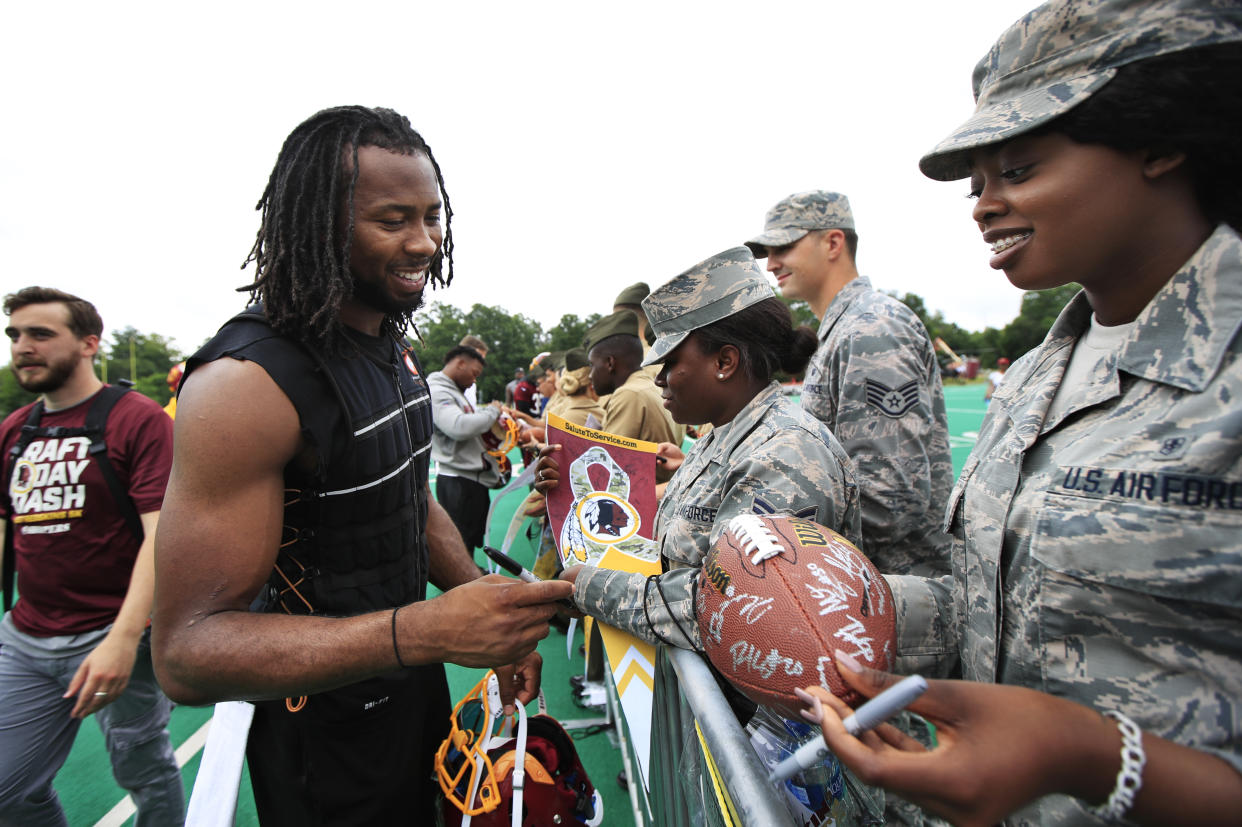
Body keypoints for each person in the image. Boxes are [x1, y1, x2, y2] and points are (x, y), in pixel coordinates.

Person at [796, 2, 1242, 824]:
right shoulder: (1036, 378)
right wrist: (813, 607)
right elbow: (987, 605)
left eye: (1021, 169)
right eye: (978, 185)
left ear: (1162, 141)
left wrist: (1092, 754)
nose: (983, 205)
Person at [149, 106, 571, 824]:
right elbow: (187, 653)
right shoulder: (245, 384)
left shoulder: (385, 340)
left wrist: (484, 616)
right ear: (320, 228)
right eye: (393, 219)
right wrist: (427, 629)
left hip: (409, 690)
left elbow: (408, 498)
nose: (426, 242)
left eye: (433, 216)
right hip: (325, 737)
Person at [537, 248, 864, 824]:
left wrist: (587, 588)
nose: (659, 378)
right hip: (734, 721)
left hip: (783, 751)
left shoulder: (787, 453)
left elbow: (730, 608)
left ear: (726, 361)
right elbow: (681, 545)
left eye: (671, 362)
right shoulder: (723, 437)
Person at [1, 287, 184, 826]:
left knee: (145, 772)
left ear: (88, 343)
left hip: (114, 633)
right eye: (14, 335)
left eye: (40, 334)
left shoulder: (138, 420)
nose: (22, 346)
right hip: (26, 639)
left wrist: (124, 640)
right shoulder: (15, 431)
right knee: (9, 790)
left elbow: (162, 537)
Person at [747, 191, 954, 577]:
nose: (772, 263)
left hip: (893, 589)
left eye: (784, 246)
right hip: (863, 583)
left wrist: (775, 527)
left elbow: (888, 501)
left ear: (833, 242)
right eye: (767, 252)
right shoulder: (846, 330)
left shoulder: (872, 327)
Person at [583, 310, 681, 483]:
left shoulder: (628, 394)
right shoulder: (649, 386)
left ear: (609, 363)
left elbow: (604, 473)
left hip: (643, 502)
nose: (590, 375)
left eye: (592, 365)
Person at [429, 344, 505, 558]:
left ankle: (467, 578)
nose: (474, 380)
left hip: (469, 479)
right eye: (474, 373)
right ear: (460, 363)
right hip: (457, 481)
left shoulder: (452, 391)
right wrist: (493, 411)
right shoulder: (437, 390)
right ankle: (462, 587)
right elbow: (458, 426)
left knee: (468, 540)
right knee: (459, 542)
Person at [457, 334, 489, 408]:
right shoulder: (438, 387)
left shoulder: (471, 385)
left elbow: (470, 412)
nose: (480, 365)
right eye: (478, 358)